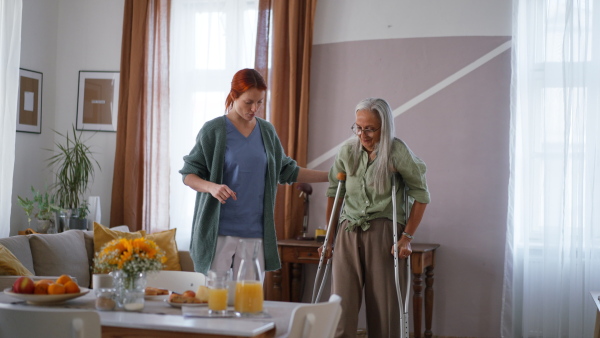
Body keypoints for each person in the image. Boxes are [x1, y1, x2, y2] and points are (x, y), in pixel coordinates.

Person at [179, 68, 328, 278]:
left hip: (255, 234)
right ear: (234, 96)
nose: (254, 108)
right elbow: (189, 174)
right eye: (249, 102)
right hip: (218, 233)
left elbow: (287, 171)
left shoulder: (266, 131)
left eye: (259, 102)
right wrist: (212, 187)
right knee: (215, 303)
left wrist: (331, 176)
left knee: (249, 305)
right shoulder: (214, 130)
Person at [321, 97, 430, 338]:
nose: (363, 134)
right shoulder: (347, 151)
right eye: (358, 127)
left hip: (384, 234)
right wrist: (329, 238)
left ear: (385, 127)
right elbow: (334, 193)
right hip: (348, 231)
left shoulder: (397, 152)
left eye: (370, 129)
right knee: (341, 306)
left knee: (384, 308)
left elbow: (421, 195)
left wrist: (407, 238)